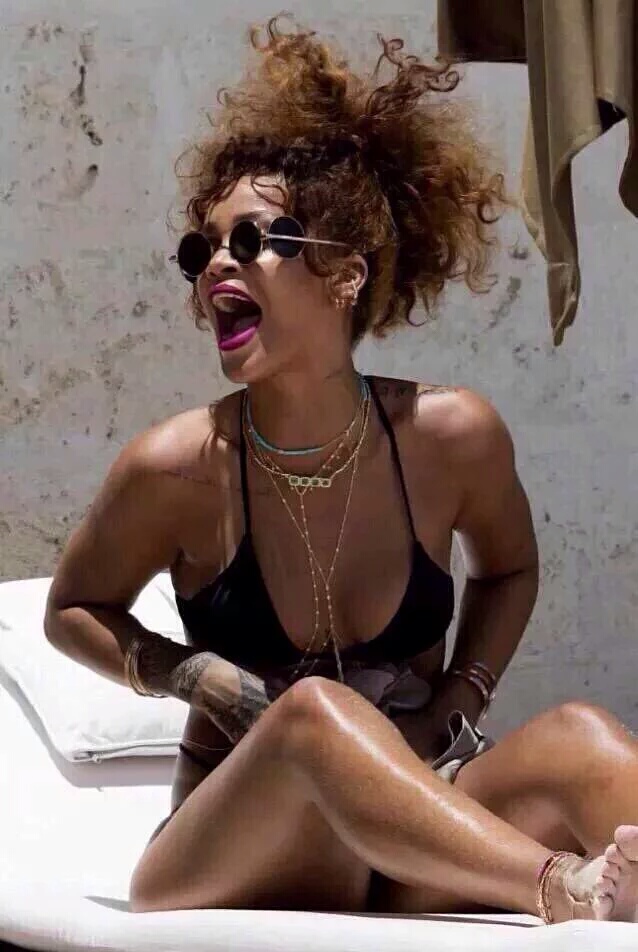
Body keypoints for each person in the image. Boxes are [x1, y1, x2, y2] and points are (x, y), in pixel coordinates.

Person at [44, 17, 638, 924]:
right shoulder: (178, 468)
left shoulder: (450, 437)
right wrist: (189, 674)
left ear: (345, 275)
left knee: (584, 740)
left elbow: (510, 568)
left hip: (406, 831)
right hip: (238, 852)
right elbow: (71, 609)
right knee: (316, 712)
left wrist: (460, 696)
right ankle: (559, 887)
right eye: (201, 250)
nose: (215, 266)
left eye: (252, 241)